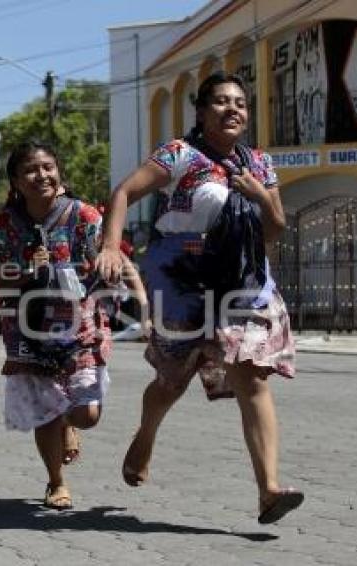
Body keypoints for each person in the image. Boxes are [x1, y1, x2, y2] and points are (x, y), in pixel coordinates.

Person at [97, 72, 302, 524]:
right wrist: (111, 246)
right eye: (222, 102)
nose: (233, 109)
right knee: (172, 382)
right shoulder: (180, 155)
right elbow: (124, 192)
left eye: (240, 103)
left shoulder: (259, 165)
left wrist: (258, 197)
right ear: (202, 111)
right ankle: (145, 436)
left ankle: (269, 489)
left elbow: (275, 229)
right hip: (184, 283)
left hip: (244, 286)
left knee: (252, 378)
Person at [0, 141, 114, 510]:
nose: (41, 175)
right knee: (46, 409)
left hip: (80, 326)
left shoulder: (85, 216)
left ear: (58, 172)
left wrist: (108, 268)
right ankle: (56, 482)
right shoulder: (5, 225)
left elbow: (103, 265)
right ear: (15, 180)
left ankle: (70, 424)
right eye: (30, 169)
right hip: (29, 327)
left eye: (47, 167)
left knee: (86, 414)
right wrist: (29, 272)